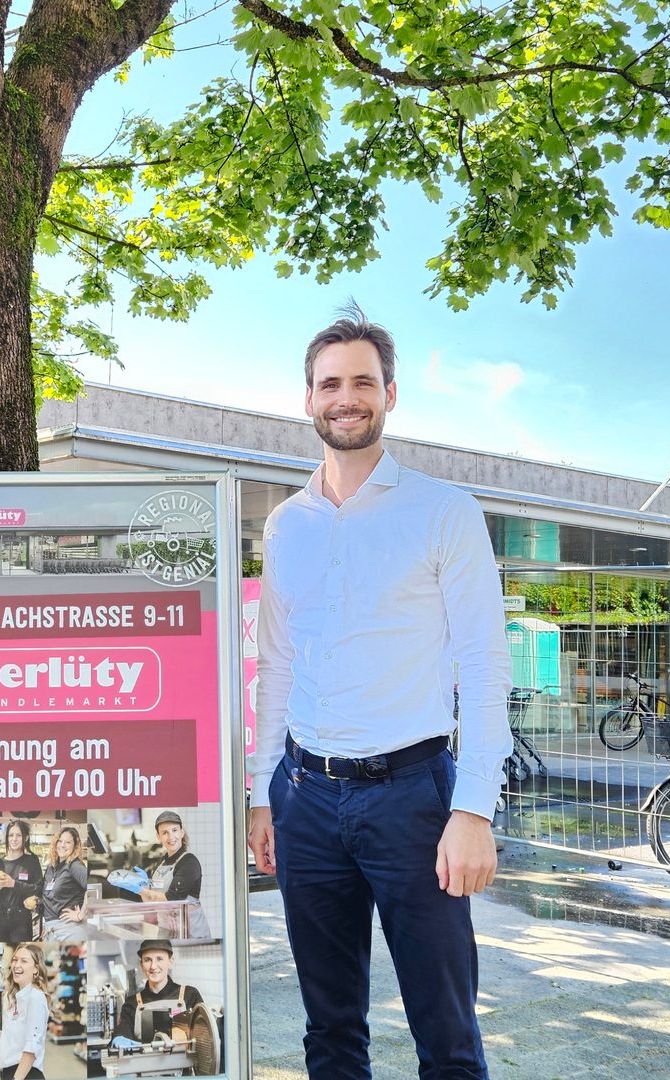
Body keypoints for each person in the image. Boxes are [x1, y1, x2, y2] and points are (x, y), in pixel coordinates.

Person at [248, 305, 512, 1080]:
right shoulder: (286, 525)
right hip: (305, 797)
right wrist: (264, 794)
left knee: (448, 1036)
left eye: (364, 381)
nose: (347, 397)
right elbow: (277, 667)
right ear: (308, 399)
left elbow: (485, 664)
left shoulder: (444, 512)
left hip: (414, 800)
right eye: (331, 384)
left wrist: (473, 811)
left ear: (390, 394)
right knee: (329, 1032)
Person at [0, 942, 50, 1079]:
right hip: (11, 1072)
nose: (17, 965)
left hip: (26, 1074)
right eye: (15, 960)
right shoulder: (14, 997)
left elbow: (31, 1048)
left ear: (36, 969)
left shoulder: (35, 997)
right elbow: (15, 1039)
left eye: (24, 961)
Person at [110, 939, 205, 1046]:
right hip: (146, 1062)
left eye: (159, 959)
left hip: (184, 1062)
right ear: (141, 964)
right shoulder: (132, 1003)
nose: (153, 966)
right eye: (147, 960)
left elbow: (204, 1035)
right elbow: (124, 1029)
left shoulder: (190, 995)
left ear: (170, 962)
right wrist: (119, 1037)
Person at [136, 811, 208, 940]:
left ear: (181, 832)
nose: (170, 837)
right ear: (158, 837)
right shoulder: (161, 862)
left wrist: (141, 890)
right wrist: (142, 887)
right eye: (165, 832)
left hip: (189, 931)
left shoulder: (189, 862)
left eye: (174, 830)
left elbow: (172, 899)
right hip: (166, 931)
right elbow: (150, 902)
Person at [0, 819, 43, 943]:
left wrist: (14, 884)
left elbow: (39, 889)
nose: (14, 839)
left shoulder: (32, 862)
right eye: (11, 835)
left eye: (18, 835)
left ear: (26, 838)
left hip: (21, 921)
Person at [33, 825, 89, 942]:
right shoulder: (51, 867)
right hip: (53, 930)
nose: (62, 845)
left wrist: (81, 914)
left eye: (68, 842)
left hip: (70, 930)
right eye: (60, 841)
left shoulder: (75, 865)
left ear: (75, 846)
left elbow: (92, 888)